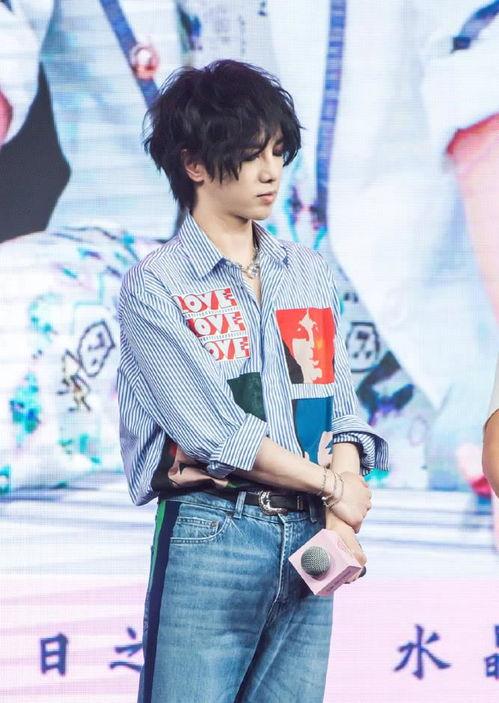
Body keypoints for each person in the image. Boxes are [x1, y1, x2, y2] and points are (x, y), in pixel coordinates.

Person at [117, 59, 389, 703]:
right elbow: (216, 431)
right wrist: (332, 484)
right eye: (248, 155)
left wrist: (342, 506)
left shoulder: (306, 272)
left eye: (276, 151)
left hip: (311, 534)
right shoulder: (157, 284)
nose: (270, 172)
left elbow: (337, 404)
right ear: (194, 164)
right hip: (214, 531)